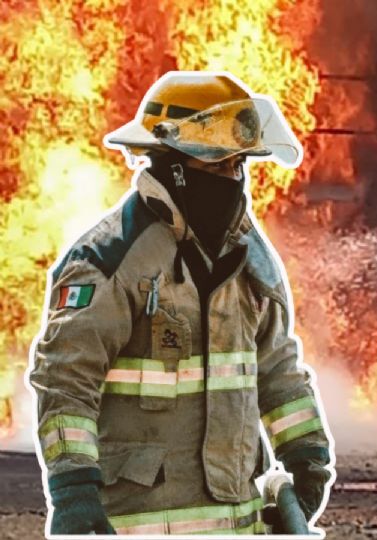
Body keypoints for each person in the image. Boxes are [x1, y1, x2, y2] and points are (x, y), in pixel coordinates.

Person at [29, 72, 334, 535]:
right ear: (173, 166)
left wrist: (307, 454)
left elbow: (278, 368)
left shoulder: (248, 256)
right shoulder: (109, 259)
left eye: (238, 166)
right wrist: (72, 486)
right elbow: (66, 381)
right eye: (217, 167)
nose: (232, 180)